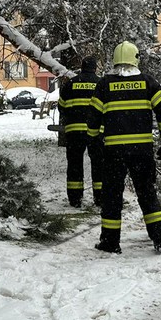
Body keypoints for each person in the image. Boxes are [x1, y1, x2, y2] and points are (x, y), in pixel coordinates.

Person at [86, 41, 161, 254]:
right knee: (146, 192)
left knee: (112, 196)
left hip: (114, 152)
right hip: (142, 151)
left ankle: (110, 241)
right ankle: (159, 237)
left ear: (115, 59)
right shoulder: (148, 83)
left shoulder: (105, 84)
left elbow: (93, 119)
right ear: (136, 58)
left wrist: (93, 142)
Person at [58, 56, 104, 208]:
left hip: (74, 131)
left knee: (75, 164)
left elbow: (61, 107)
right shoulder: (100, 84)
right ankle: (100, 198)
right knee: (99, 164)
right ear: (95, 68)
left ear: (82, 67)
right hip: (96, 132)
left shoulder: (70, 84)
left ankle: (75, 199)